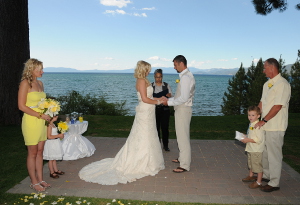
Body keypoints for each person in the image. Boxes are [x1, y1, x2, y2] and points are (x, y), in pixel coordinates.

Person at [79, 60, 166, 185]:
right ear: (143, 69)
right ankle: (141, 161)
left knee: (149, 135)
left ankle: (150, 160)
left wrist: (160, 98)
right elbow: (145, 99)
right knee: (143, 135)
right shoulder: (141, 81)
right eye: (147, 69)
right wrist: (159, 102)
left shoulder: (145, 80)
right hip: (145, 111)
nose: (149, 71)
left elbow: (150, 97)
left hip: (149, 112)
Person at [255, 58, 291, 192]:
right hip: (264, 125)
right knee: (264, 153)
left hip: (275, 126)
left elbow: (277, 106)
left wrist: (264, 120)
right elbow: (262, 102)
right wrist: (256, 117)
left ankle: (274, 182)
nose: (263, 71)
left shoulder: (282, 84)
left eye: (265, 68)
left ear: (272, 67)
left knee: (274, 155)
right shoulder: (267, 84)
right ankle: (266, 175)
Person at [18, 58, 51, 192]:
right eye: (40, 69)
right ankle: (33, 182)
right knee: (32, 153)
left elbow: (43, 103)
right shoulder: (25, 83)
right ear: (32, 70)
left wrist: (49, 112)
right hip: (31, 121)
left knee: (40, 152)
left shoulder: (41, 83)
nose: (42, 71)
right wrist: (39, 115)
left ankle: (41, 179)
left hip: (42, 121)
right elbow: (21, 106)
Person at [162, 55, 195, 173]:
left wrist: (168, 103)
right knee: (181, 135)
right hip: (182, 109)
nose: (174, 68)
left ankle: (185, 165)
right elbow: (180, 97)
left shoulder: (186, 77)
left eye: (175, 65)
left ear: (181, 63)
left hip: (183, 109)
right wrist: (168, 100)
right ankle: (182, 158)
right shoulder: (186, 76)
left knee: (182, 137)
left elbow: (183, 98)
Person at [241, 106, 265, 189]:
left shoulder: (258, 126)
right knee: (251, 163)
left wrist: (248, 140)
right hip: (251, 149)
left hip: (256, 150)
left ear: (258, 116)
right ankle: (251, 176)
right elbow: (252, 134)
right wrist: (245, 136)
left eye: (253, 115)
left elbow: (259, 139)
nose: (250, 117)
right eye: (249, 115)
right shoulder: (251, 124)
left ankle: (259, 182)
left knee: (257, 166)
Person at [152, 69, 172, 152]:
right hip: (155, 109)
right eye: (157, 77)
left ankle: (165, 145)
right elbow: (149, 97)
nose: (158, 79)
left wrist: (169, 95)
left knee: (165, 128)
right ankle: (157, 145)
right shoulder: (151, 86)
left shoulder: (166, 85)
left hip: (165, 110)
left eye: (160, 77)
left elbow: (170, 96)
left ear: (162, 77)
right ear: (154, 77)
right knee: (155, 128)